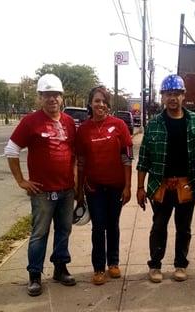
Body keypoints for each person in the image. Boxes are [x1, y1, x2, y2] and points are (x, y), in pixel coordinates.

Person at [4, 73, 76, 297]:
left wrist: (75, 183)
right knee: (39, 234)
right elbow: (11, 150)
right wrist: (21, 181)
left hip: (66, 190)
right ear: (40, 98)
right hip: (42, 192)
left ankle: (60, 268)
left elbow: (73, 153)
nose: (52, 99)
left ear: (62, 97)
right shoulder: (30, 122)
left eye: (56, 95)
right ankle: (34, 275)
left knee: (64, 231)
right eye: (47, 95)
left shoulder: (68, 122)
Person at [136, 74, 195, 283]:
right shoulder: (154, 124)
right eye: (168, 94)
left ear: (184, 96)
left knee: (183, 228)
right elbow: (144, 160)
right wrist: (140, 187)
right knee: (158, 226)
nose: (172, 98)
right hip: (161, 185)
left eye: (176, 93)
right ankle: (155, 265)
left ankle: (180, 264)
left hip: (187, 184)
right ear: (163, 97)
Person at [76, 86, 133, 285]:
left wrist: (128, 186)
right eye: (96, 100)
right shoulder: (82, 130)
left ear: (108, 105)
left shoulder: (119, 125)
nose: (100, 104)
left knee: (113, 225)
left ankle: (114, 263)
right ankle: (99, 268)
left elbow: (127, 158)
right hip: (94, 188)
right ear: (90, 104)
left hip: (116, 187)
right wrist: (79, 190)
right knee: (98, 227)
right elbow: (80, 162)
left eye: (103, 101)